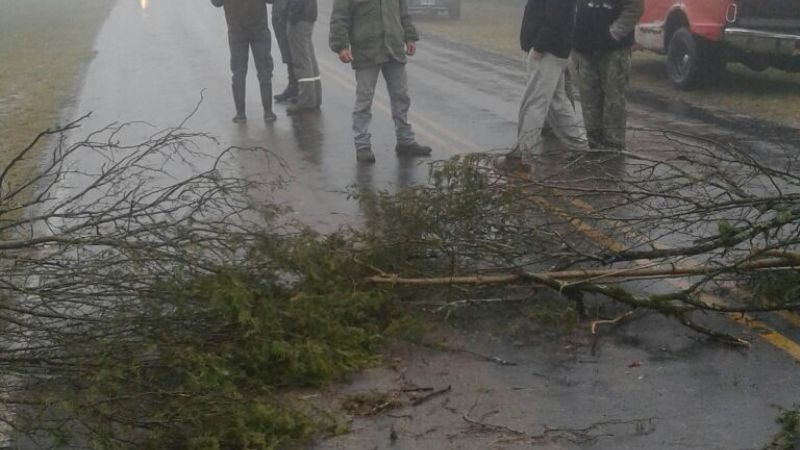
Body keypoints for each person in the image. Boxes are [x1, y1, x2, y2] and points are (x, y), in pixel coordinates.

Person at [329, 0, 432, 163]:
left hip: (394, 48)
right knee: (364, 99)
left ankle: (405, 140)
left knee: (401, 96)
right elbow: (339, 17)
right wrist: (341, 46)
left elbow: (403, 12)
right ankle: (362, 145)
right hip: (366, 50)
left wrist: (409, 37)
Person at [500, 0, 588, 172]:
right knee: (558, 102)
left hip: (548, 52)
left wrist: (538, 47)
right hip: (555, 50)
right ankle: (580, 147)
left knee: (534, 104)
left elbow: (555, 18)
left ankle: (524, 157)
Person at [573, 0, 644, 150]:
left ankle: (613, 146)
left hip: (614, 50)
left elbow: (635, 8)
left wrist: (613, 33)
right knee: (588, 98)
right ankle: (593, 141)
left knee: (614, 98)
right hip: (585, 48)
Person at [210, 0, 277, 123]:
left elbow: (216, 3)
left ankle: (240, 114)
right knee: (264, 71)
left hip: (236, 29)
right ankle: (268, 112)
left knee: (238, 72)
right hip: (259, 27)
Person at [285, 0, 321, 113]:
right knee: (309, 58)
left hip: (300, 18)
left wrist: (291, 15)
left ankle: (307, 100)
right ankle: (315, 97)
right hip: (308, 16)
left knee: (302, 61)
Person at [271, 0, 297, 103]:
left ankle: (298, 88)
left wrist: (289, 14)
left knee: (294, 55)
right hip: (280, 16)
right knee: (287, 54)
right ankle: (293, 86)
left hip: (287, 16)